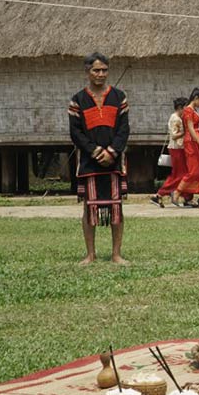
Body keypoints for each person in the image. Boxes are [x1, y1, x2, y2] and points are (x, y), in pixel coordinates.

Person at [68, 52, 130, 265]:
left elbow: (124, 129)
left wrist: (111, 152)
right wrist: (95, 152)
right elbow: (76, 132)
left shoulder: (119, 97)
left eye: (104, 70)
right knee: (89, 206)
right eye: (96, 70)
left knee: (117, 207)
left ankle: (116, 254)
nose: (101, 74)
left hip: (114, 161)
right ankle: (90, 254)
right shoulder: (78, 100)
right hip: (89, 161)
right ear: (88, 72)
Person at [151, 98, 187, 207]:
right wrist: (185, 132)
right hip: (177, 148)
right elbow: (174, 135)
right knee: (180, 175)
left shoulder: (177, 118)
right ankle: (160, 194)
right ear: (180, 108)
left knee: (179, 174)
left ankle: (186, 196)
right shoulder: (175, 119)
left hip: (179, 148)